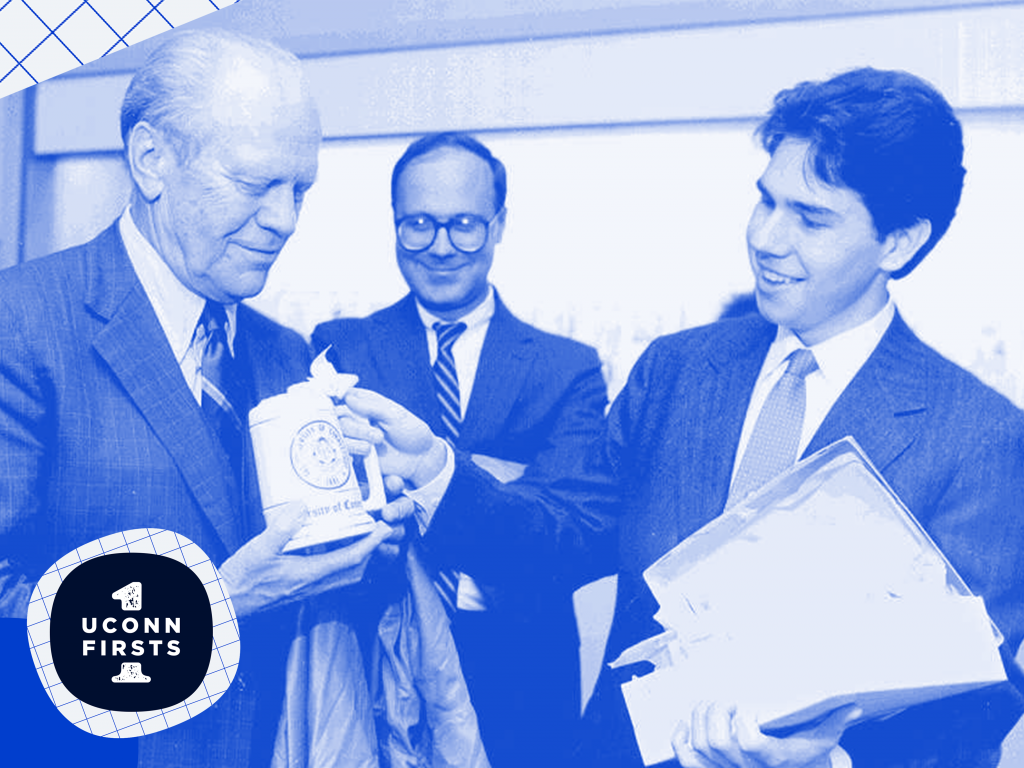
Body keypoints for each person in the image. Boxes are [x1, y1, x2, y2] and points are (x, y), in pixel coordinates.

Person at [340, 68, 1024, 767]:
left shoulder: (977, 437)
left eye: (810, 218)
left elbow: (971, 705)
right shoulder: (678, 372)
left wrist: (827, 763)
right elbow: (563, 538)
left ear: (899, 243)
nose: (767, 238)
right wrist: (436, 474)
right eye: (766, 202)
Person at [0, 29, 407, 768]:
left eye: (300, 189)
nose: (284, 219)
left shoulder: (286, 354)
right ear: (152, 160)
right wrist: (208, 605)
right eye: (255, 185)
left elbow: (311, 599)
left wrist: (372, 521)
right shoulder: (21, 325)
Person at [312, 132, 612, 767]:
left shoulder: (566, 369)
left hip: (520, 675)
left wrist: (436, 477)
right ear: (394, 225)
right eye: (418, 224)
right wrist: (503, 484)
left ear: (499, 225)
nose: (441, 246)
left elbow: (571, 538)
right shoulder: (342, 350)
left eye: (465, 225)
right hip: (376, 661)